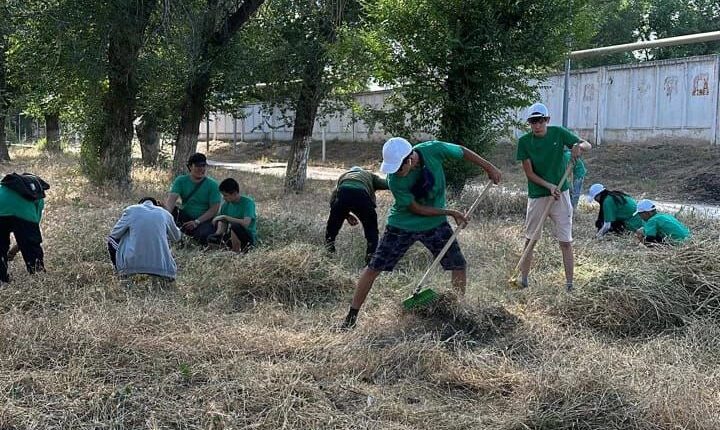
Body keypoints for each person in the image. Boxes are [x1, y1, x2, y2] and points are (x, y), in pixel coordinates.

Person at [340, 137, 502, 329]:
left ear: (409, 159)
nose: (395, 172)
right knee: (374, 267)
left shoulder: (433, 150)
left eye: (398, 168)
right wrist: (450, 213)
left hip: (435, 224)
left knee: (458, 265)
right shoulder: (394, 180)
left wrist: (489, 167)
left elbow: (461, 150)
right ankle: (351, 317)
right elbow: (416, 209)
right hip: (401, 226)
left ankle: (458, 313)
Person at [516, 102, 591, 292]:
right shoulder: (524, 142)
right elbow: (529, 174)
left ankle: (570, 285)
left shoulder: (558, 133)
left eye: (540, 121)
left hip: (561, 195)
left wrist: (578, 146)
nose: (537, 125)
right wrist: (549, 186)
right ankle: (523, 280)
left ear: (547, 120)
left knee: (565, 241)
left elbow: (587, 144)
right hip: (538, 195)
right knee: (530, 240)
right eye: (533, 122)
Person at [325, 166, 389, 264]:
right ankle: (371, 257)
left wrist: (345, 214)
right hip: (362, 196)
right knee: (371, 229)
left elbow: (333, 200)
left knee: (332, 226)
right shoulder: (370, 175)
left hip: (344, 193)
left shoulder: (344, 175)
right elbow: (387, 184)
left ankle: (328, 250)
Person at [108, 197, 182, 281]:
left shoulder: (132, 210)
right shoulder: (165, 213)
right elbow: (177, 237)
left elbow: (114, 234)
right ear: (156, 205)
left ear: (140, 203)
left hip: (131, 266)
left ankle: (120, 273)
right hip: (163, 269)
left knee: (112, 239)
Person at [0, 173, 49, 283]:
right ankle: (38, 275)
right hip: (23, 213)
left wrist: (11, 252)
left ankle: (2, 279)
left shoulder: (4, 187)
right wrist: (15, 250)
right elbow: (31, 232)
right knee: (31, 245)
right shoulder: (36, 195)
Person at [164, 153, 222, 245]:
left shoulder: (212, 185)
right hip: (186, 218)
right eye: (198, 166)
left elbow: (214, 210)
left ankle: (187, 237)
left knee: (204, 236)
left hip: (204, 220)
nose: (201, 169)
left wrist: (196, 222)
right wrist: (164, 217)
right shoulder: (181, 181)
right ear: (190, 167)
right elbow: (171, 202)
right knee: (169, 213)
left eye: (203, 166)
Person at [208, 178, 257, 253]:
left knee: (235, 226)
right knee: (212, 237)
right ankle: (219, 248)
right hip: (232, 237)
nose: (223, 198)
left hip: (247, 237)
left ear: (234, 193)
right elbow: (223, 221)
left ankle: (236, 253)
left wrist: (226, 217)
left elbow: (246, 223)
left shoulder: (248, 203)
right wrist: (218, 234)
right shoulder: (225, 205)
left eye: (225, 195)